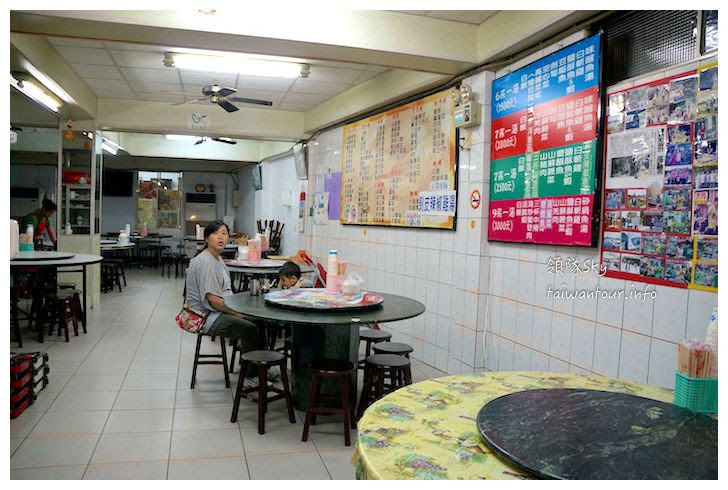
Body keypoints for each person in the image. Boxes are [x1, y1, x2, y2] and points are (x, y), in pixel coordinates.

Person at [185, 220, 262, 387]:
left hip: (214, 311)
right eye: (215, 233)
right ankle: (250, 377)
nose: (220, 237)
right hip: (203, 317)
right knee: (250, 328)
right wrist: (237, 313)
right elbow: (213, 299)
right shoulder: (206, 261)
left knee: (259, 320)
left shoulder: (217, 258)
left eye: (224, 233)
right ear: (206, 238)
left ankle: (258, 366)